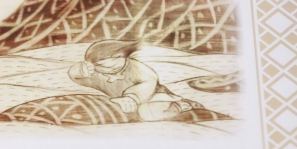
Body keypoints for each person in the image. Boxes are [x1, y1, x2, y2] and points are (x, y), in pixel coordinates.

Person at [67, 40, 202, 122]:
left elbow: (149, 82)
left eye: (116, 59)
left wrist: (132, 97)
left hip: (154, 96)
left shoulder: (136, 67)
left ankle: (178, 106)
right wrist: (78, 70)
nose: (111, 66)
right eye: (101, 65)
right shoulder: (96, 74)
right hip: (125, 101)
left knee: (147, 112)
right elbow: (77, 77)